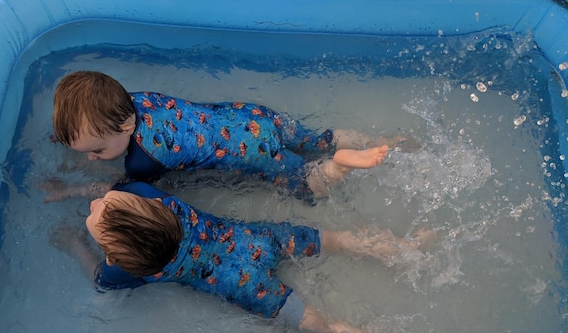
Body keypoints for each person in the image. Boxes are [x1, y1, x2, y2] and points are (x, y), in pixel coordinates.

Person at [51, 180, 438, 333]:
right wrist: (106, 198)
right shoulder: (158, 200)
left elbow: (101, 278)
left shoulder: (132, 270)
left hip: (245, 287)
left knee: (323, 326)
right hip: (256, 240)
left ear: (116, 257)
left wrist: (73, 241)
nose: (93, 203)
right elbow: (118, 195)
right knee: (333, 240)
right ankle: (402, 248)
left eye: (96, 209)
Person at [49, 70, 417, 202]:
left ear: (127, 128)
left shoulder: (144, 158)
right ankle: (383, 140)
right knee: (314, 138)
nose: (91, 158)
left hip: (255, 155)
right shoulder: (135, 101)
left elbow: (130, 190)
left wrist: (72, 190)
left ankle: (338, 168)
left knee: (308, 184)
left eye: (96, 150)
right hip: (253, 117)